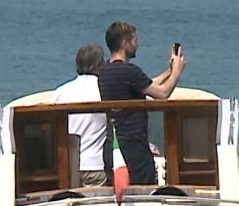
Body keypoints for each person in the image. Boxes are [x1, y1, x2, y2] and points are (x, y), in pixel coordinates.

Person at [98, 20, 185, 185]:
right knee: (142, 191)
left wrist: (169, 71)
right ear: (125, 43)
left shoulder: (104, 71)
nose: (137, 45)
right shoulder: (129, 71)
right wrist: (177, 73)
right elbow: (162, 93)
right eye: (134, 41)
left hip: (113, 144)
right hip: (133, 148)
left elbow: (145, 85)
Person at [50, 43, 107, 187]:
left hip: (67, 166)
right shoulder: (105, 90)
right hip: (96, 164)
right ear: (99, 65)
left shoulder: (61, 92)